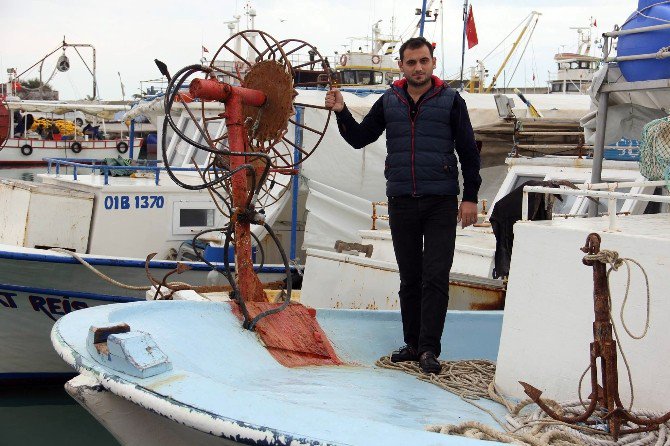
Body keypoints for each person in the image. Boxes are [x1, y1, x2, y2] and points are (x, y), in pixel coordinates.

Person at [324, 36, 481, 374]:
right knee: (410, 277)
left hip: (440, 201)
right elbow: (359, 137)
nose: (418, 68)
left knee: (435, 277)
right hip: (401, 201)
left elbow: (469, 152)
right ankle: (412, 344)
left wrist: (470, 198)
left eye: (423, 61)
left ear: (433, 63)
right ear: (401, 66)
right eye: (411, 62)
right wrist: (341, 111)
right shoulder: (390, 100)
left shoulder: (451, 101)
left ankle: (429, 349)